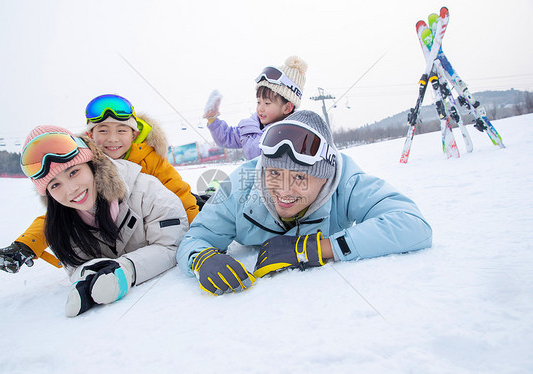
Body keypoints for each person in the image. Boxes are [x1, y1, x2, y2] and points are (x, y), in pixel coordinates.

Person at [176, 110, 433, 295]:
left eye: (300, 177)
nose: (284, 191)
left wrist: (318, 249)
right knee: (209, 197)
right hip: (223, 196)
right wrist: (202, 259)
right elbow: (195, 238)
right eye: (274, 173)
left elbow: (412, 225)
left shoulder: (345, 181)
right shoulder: (240, 184)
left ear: (325, 178)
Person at [0, 125, 189, 317]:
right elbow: (75, 267)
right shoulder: (62, 224)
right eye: (55, 185)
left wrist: (127, 269)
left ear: (92, 165)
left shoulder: (147, 192)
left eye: (74, 172)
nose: (71, 190)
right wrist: (88, 278)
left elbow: (172, 245)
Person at [0, 94, 199, 272]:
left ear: (134, 134)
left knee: (197, 202)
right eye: (103, 130)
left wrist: (198, 234)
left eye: (121, 130)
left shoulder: (148, 159)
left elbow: (177, 193)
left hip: (153, 221)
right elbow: (60, 214)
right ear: (91, 134)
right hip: (124, 237)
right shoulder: (80, 164)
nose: (112, 139)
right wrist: (26, 244)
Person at [204, 56, 308, 160]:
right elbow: (227, 137)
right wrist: (212, 118)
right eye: (258, 102)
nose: (260, 109)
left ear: (287, 108)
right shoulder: (250, 128)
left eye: (267, 103)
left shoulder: (294, 133)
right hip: (255, 175)